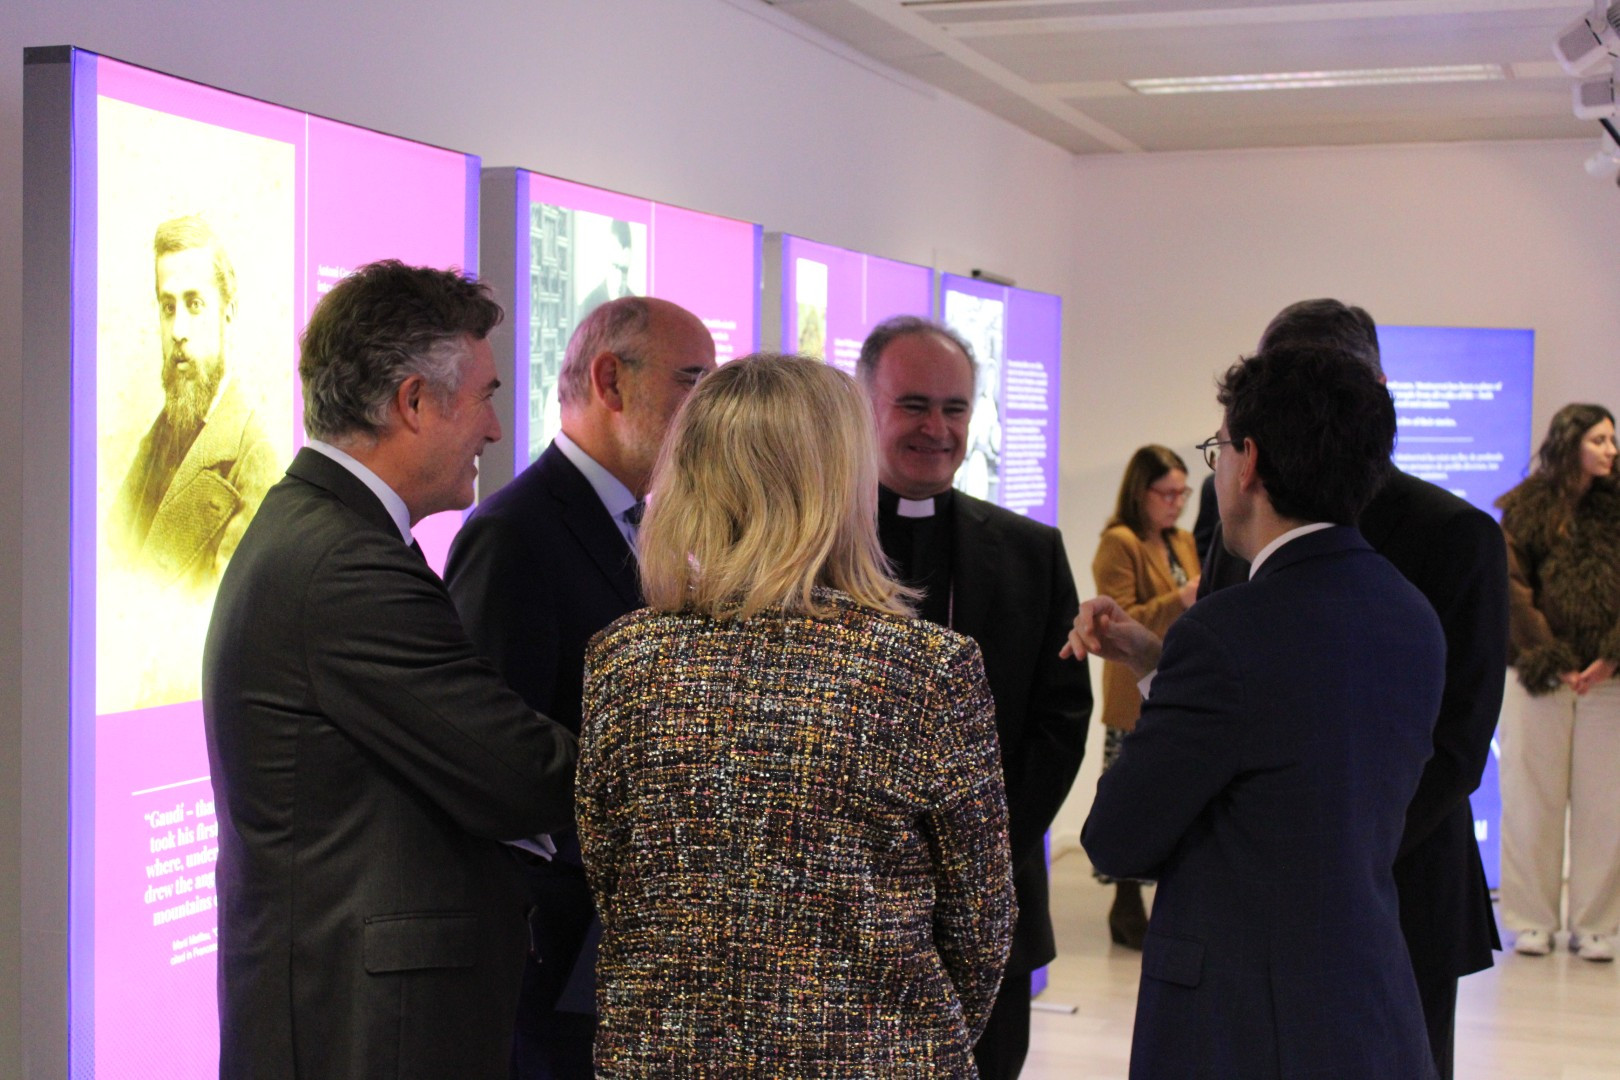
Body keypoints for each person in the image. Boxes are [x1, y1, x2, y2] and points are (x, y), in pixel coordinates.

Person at [577, 353, 1015, 1077]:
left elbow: (615, 879)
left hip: (669, 1055)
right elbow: (981, 922)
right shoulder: (924, 668)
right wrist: (905, 1036)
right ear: (840, 482)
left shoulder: (628, 658)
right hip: (871, 1057)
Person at [201, 260, 578, 1080]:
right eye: (484, 397)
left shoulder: (331, 532)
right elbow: (514, 770)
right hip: (361, 1030)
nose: (493, 430)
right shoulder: (345, 562)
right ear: (413, 401)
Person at [1073, 344, 1444, 1080]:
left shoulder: (1228, 631)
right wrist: (1157, 663)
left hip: (1242, 1026)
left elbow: (1117, 839)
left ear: (1250, 463)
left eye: (1218, 451)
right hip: (1370, 1006)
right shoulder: (1411, 614)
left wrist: (1176, 670)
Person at [1201, 299, 1506, 1078]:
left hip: (1398, 882)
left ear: (1375, 393)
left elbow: (1457, 743)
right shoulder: (1232, 500)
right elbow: (1223, 663)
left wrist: (1340, 857)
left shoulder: (1454, 534)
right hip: (1257, 885)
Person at [444, 295, 716, 1077]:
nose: (707, 411)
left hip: (626, 949)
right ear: (610, 380)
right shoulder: (515, 533)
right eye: (691, 382)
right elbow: (492, 760)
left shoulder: (649, 524)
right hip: (559, 959)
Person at [858, 315, 1091, 1080]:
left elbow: (1060, 720)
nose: (937, 428)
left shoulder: (1031, 552)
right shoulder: (817, 547)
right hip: (850, 909)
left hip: (993, 905)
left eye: (954, 408)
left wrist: (979, 856)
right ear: (864, 407)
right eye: (913, 405)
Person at [1497, 402, 1620, 964]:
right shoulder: (1525, 507)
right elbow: (1512, 586)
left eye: (1612, 440)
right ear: (1571, 443)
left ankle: (1596, 924)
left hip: (1608, 679)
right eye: (1599, 440)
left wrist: (1611, 654)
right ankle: (1531, 921)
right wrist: (1550, 655)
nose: (1611, 450)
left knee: (1606, 804)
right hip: (1537, 674)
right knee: (1530, 800)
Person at [112, 215, 278, 590]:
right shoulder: (158, 437)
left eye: (195, 304)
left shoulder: (255, 460)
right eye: (168, 308)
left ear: (228, 313)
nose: (178, 332)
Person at [1090, 445, 1200, 949]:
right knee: (1130, 796)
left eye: (1182, 493)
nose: (1176, 503)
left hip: (1176, 680)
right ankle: (1126, 901)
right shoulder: (1119, 542)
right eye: (1167, 493)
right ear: (1141, 492)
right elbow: (1119, 618)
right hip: (1133, 690)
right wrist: (1181, 598)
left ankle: (1146, 900)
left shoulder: (1182, 540)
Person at [576, 218, 635, 320]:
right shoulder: (590, 305)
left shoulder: (637, 308)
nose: (620, 277)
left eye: (625, 271)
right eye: (616, 267)